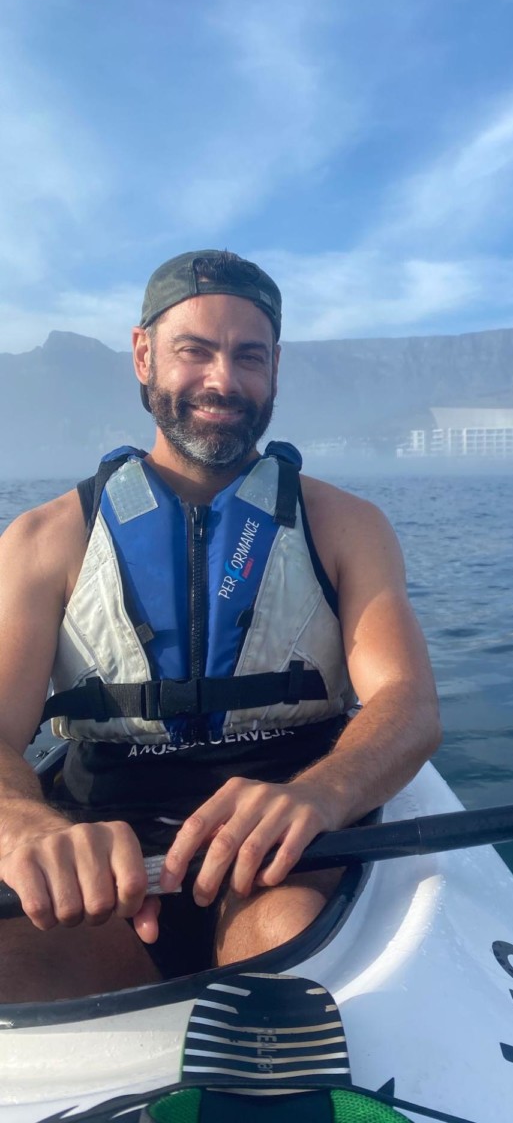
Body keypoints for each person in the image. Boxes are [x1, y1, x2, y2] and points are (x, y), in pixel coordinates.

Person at [0, 249, 441, 1002]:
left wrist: (322, 794)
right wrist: (26, 828)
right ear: (144, 355)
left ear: (276, 368)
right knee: (23, 960)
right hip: (102, 833)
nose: (223, 381)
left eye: (249, 357)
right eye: (194, 351)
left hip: (287, 833)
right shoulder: (43, 541)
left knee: (285, 942)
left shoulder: (346, 526)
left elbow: (408, 703)